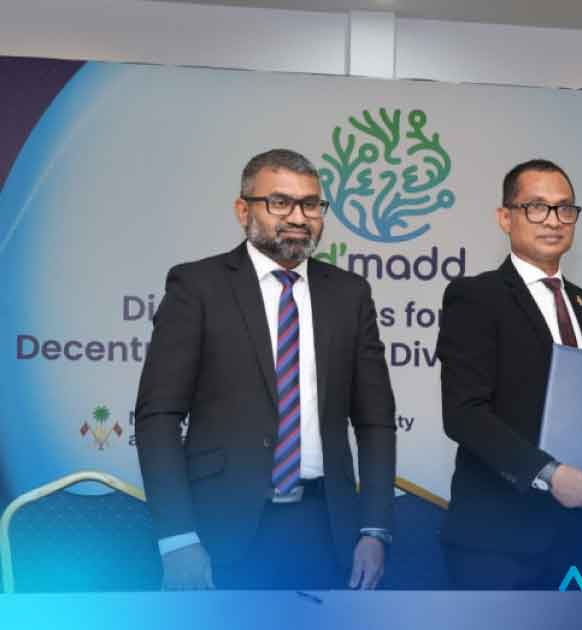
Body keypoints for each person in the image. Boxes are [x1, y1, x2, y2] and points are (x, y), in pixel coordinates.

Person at [135, 149, 397, 590]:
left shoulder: (349, 293)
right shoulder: (197, 286)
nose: (298, 217)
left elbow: (376, 420)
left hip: (327, 530)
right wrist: (177, 538)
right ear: (244, 211)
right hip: (220, 530)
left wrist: (374, 529)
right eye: (279, 202)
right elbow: (157, 416)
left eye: (310, 204)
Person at [435, 159, 582, 589]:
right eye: (537, 207)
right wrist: (549, 473)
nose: (554, 220)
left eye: (565, 209)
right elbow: (463, 413)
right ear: (505, 217)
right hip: (500, 539)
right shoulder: (475, 296)